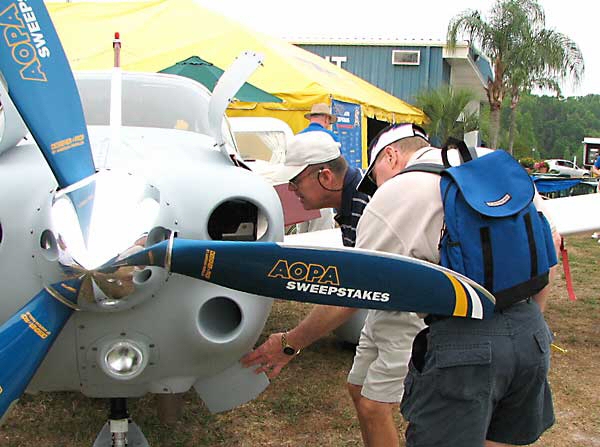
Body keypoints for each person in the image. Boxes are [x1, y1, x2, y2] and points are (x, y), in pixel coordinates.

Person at [355, 123, 559, 447]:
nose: (374, 184)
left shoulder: (397, 192)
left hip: (463, 342)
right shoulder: (497, 166)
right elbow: (550, 246)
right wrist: (531, 323)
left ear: (390, 157)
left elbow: (359, 280)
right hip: (530, 333)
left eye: (374, 174)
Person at [241, 129, 425, 447]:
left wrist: (289, 343)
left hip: (409, 308)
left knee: (374, 405)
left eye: (295, 182)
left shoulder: (369, 202)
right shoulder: (351, 202)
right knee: (358, 388)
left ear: (325, 176)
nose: (291, 190)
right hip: (387, 304)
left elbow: (350, 294)